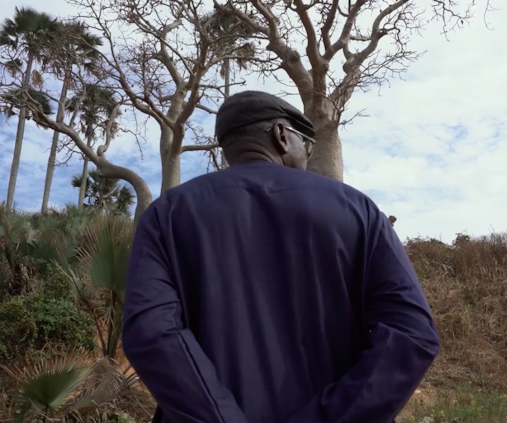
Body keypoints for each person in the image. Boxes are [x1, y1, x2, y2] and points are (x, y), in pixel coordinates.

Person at [122, 90, 440, 423]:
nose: (309, 155)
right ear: (282, 135)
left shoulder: (165, 216)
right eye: (309, 145)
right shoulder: (357, 210)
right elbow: (411, 333)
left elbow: (152, 333)